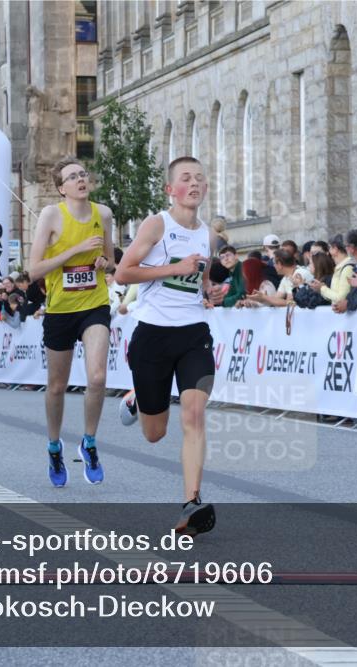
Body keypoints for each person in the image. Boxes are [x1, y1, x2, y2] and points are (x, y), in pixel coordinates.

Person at [115, 156, 218, 536]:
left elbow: (199, 278)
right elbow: (123, 272)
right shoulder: (157, 224)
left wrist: (209, 291)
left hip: (194, 334)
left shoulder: (207, 233)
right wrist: (174, 268)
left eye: (200, 178)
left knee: (194, 415)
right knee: (154, 433)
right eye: (186, 178)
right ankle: (138, 399)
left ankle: (192, 502)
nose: (194, 184)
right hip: (153, 335)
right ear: (170, 189)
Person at [28, 156, 115, 487]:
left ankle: (89, 442)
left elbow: (110, 261)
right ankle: (54, 446)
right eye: (73, 177)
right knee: (56, 386)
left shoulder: (102, 214)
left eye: (84, 174)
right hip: (60, 309)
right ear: (61, 188)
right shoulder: (52, 215)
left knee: (97, 376)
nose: (81, 179)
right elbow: (34, 270)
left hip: (95, 303)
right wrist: (74, 250)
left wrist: (102, 261)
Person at [247, 249, 312, 307]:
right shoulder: (285, 278)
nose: (273, 266)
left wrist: (265, 298)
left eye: (274, 263)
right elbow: (276, 299)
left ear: (280, 264)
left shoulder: (299, 274)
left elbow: (290, 302)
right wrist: (255, 302)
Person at [311, 235, 354, 306]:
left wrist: (322, 288)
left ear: (335, 249)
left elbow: (341, 298)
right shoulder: (339, 267)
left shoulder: (347, 268)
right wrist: (321, 288)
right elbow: (334, 297)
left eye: (330, 248)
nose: (329, 251)